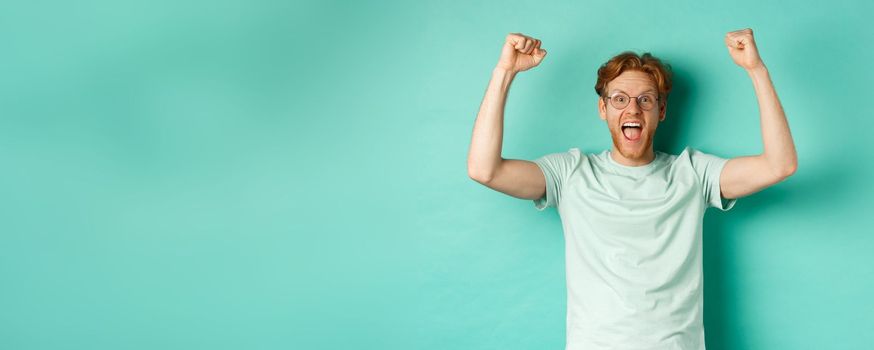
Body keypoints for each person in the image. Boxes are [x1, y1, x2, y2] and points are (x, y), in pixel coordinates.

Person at [466, 29, 797, 349]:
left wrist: (756, 70)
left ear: (661, 111)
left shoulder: (694, 173)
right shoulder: (570, 174)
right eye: (620, 99)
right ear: (603, 109)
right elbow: (484, 170)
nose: (633, 109)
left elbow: (779, 164)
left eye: (645, 100)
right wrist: (505, 71)